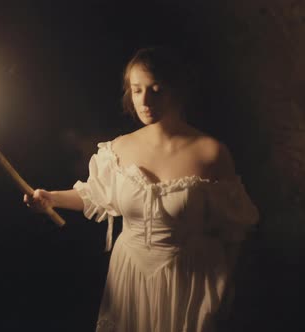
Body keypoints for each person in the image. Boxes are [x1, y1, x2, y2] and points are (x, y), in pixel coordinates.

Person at [24, 47, 259, 332]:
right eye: (136, 90)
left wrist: (221, 294)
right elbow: (96, 195)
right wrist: (52, 198)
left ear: (177, 91)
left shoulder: (210, 153)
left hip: (189, 280)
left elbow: (234, 230)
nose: (144, 101)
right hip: (131, 275)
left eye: (156, 89)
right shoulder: (118, 149)